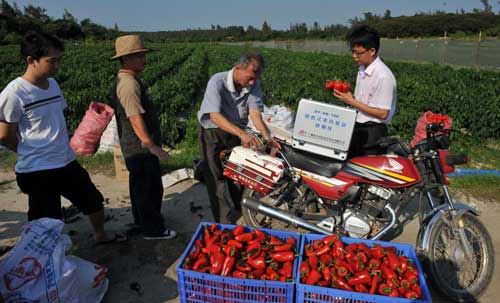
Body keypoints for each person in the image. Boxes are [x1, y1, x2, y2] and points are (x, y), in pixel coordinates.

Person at [0, 31, 125, 245]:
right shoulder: (14, 92)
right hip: (37, 170)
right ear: (31, 60)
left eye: (59, 60)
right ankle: (49, 260)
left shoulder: (52, 85)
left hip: (65, 160)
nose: (57, 66)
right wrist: (27, 150)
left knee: (92, 200)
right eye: (52, 61)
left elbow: (55, 119)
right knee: (47, 221)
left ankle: (100, 235)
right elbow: (3, 135)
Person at [197, 51, 280, 224]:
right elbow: (214, 116)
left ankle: (242, 211)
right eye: (249, 77)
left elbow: (255, 114)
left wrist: (267, 137)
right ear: (238, 68)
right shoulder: (217, 82)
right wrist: (242, 134)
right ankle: (224, 222)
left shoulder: (253, 84)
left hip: (236, 132)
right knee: (216, 179)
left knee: (239, 175)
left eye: (255, 78)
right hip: (213, 133)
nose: (252, 82)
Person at [109, 34, 176, 240]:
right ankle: (153, 230)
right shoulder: (128, 84)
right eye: (138, 56)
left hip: (134, 146)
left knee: (140, 186)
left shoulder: (128, 79)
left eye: (143, 55)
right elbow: (135, 116)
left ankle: (142, 221)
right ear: (126, 59)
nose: (143, 59)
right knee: (149, 188)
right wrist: (150, 144)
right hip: (139, 147)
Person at [333, 25, 397, 157]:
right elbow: (365, 104)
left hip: (373, 133)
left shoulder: (383, 76)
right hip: (359, 127)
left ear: (372, 51)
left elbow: (382, 113)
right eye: (353, 52)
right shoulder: (362, 70)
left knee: (368, 173)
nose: (354, 56)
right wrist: (351, 98)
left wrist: (351, 101)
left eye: (358, 53)